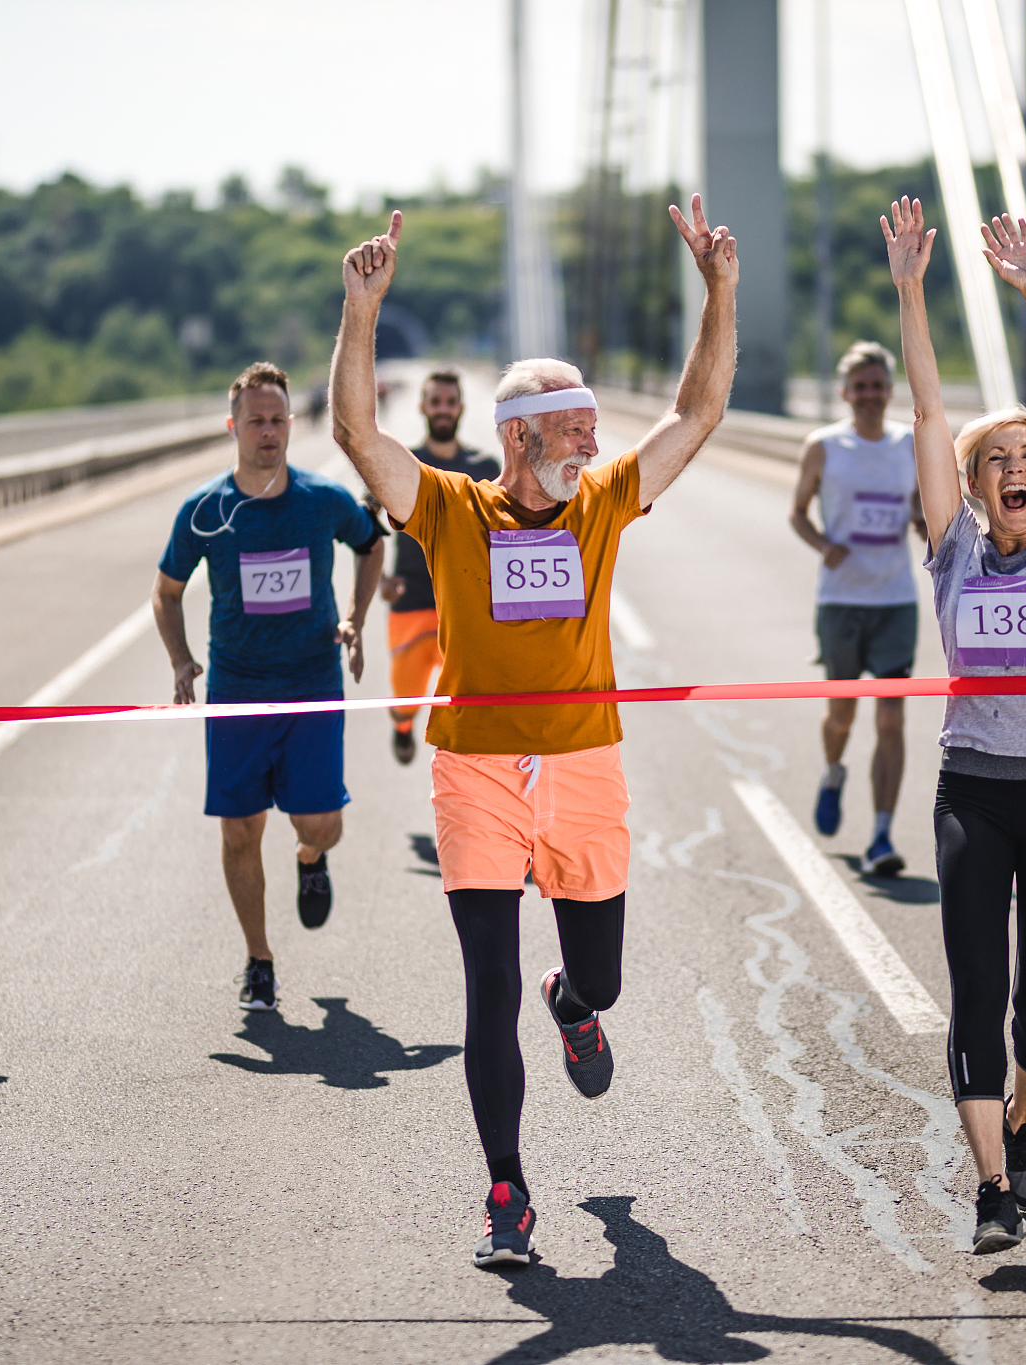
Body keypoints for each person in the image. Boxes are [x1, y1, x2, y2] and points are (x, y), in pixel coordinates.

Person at [331, 195, 738, 1269]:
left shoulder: (603, 501)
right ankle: (506, 1189)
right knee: (487, 987)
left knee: (591, 976)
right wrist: (359, 314)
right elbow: (355, 436)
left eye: (591, 431)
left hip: (584, 767)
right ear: (518, 438)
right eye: (573, 430)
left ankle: (577, 1002)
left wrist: (720, 293)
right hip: (473, 772)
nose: (592, 443)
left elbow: (695, 415)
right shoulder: (454, 510)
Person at [886, 201, 1026, 1255]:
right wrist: (909, 291)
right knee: (972, 994)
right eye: (994, 460)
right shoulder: (954, 553)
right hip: (973, 787)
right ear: (974, 490)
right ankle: (986, 1190)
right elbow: (928, 415)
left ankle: (1023, 1114)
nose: (1015, 465)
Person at [152, 362, 386, 1011]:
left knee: (321, 822)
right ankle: (259, 958)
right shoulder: (203, 511)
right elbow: (166, 592)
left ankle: (311, 856)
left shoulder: (323, 499)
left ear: (290, 422)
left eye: (278, 418)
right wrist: (180, 659)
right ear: (234, 426)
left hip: (311, 684)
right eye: (255, 419)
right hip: (237, 690)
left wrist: (356, 618)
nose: (268, 430)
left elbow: (372, 544)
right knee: (239, 831)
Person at [789, 340, 924, 875]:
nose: (869, 396)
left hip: (895, 600)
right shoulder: (823, 446)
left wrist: (921, 521)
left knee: (891, 717)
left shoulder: (910, 445)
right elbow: (797, 514)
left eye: (878, 387)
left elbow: (921, 506)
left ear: (890, 392)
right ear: (845, 393)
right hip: (841, 600)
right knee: (842, 716)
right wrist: (826, 547)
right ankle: (832, 771)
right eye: (860, 388)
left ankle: (882, 837)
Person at [378, 370, 502, 765]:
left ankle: (463, 771)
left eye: (450, 402)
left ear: (461, 408)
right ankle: (401, 728)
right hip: (412, 597)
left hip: (466, 604)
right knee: (406, 696)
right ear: (423, 407)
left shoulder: (485, 467)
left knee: (469, 702)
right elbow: (366, 515)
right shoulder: (407, 464)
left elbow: (507, 530)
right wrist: (379, 575)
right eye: (436, 402)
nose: (443, 409)